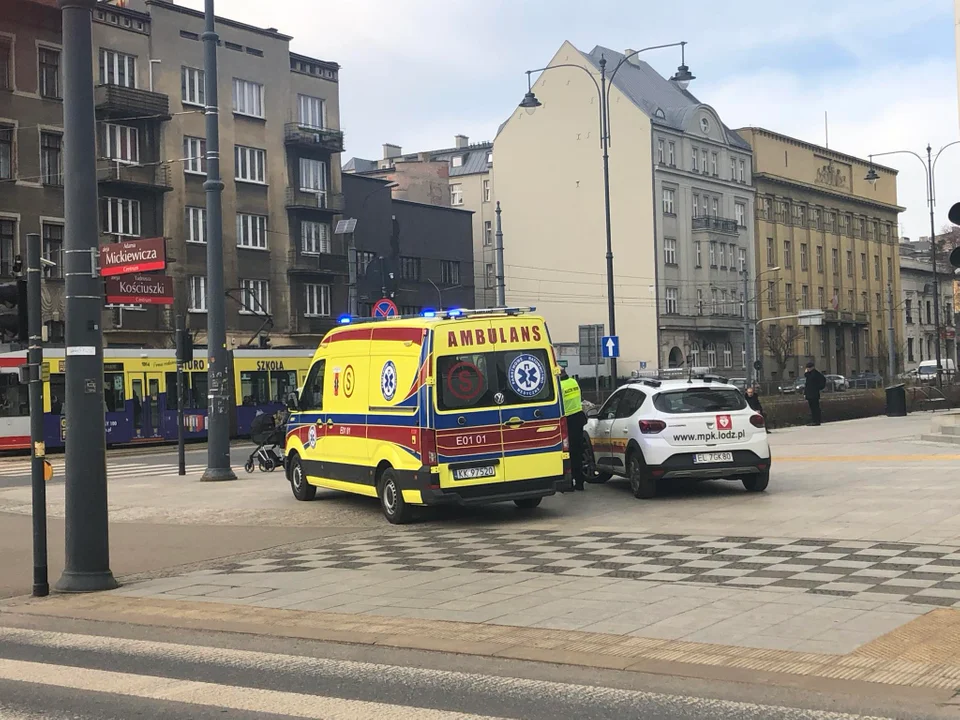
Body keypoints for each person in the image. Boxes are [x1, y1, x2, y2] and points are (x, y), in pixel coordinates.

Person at [560, 370, 587, 491]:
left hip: (567, 421)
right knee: (578, 452)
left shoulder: (560, 386)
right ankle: (580, 482)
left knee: (569, 454)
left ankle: (570, 483)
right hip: (578, 419)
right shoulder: (573, 382)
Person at [803, 361, 827, 426]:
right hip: (810, 393)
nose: (808, 369)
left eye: (809, 368)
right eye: (807, 368)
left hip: (814, 394)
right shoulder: (809, 374)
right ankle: (814, 420)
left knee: (815, 408)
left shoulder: (815, 373)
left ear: (812, 367)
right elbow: (807, 384)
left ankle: (817, 421)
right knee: (812, 408)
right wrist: (805, 393)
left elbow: (823, 380)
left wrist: (819, 388)